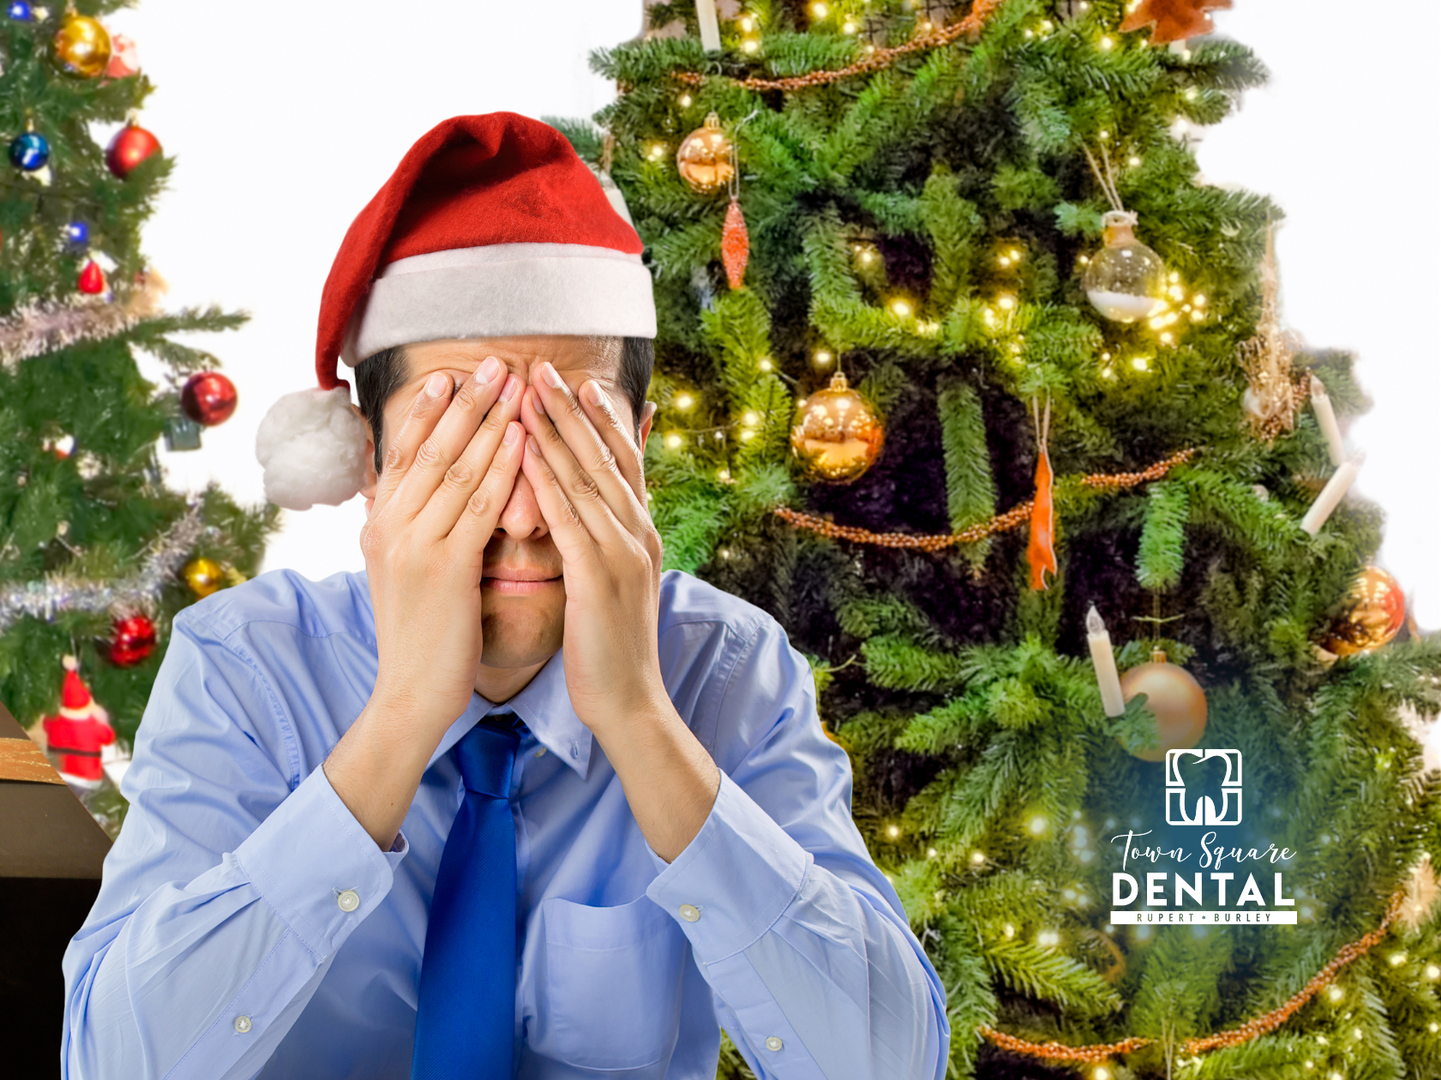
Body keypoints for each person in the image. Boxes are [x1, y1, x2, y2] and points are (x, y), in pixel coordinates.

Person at [62, 112, 950, 1080]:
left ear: (642, 447)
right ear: (370, 456)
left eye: (573, 433)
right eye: (466, 431)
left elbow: (888, 1062)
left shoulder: (729, 671)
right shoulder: (247, 666)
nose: (524, 512)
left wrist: (642, 720)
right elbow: (113, 1063)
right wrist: (400, 721)